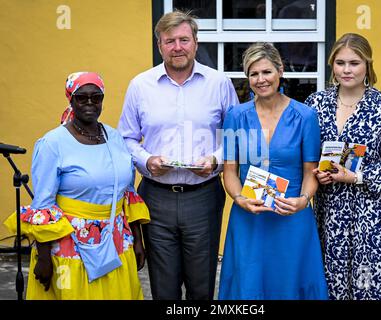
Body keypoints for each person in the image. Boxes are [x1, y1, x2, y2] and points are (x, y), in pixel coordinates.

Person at [117, 10, 239, 300]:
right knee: (163, 286)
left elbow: (235, 137)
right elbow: (126, 138)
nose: (177, 47)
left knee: (202, 284)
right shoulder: (140, 85)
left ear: (196, 43)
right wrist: (146, 160)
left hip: (204, 195)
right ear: (160, 46)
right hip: (155, 197)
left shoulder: (219, 83)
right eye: (169, 41)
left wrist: (214, 160)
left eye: (184, 39)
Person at [4, 72, 150, 299]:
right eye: (82, 97)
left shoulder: (115, 137)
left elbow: (127, 193)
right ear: (71, 99)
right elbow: (44, 203)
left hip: (116, 243)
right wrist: (44, 258)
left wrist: (138, 240)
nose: (90, 103)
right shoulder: (53, 143)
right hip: (70, 249)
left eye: (96, 97)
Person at [304, 33, 381, 300]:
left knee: (371, 285)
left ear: (367, 65)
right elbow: (306, 156)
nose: (346, 69)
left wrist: (355, 176)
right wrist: (317, 174)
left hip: (374, 217)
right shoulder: (315, 104)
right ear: (332, 65)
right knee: (333, 282)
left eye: (354, 62)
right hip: (331, 214)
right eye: (340, 63)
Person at [218, 42, 328, 300]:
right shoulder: (235, 116)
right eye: (253, 74)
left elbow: (311, 171)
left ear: (280, 71)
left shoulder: (305, 116)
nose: (260, 79)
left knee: (290, 280)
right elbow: (230, 171)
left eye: (266, 72)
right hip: (249, 217)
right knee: (249, 282)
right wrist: (239, 199)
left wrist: (302, 201)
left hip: (292, 215)